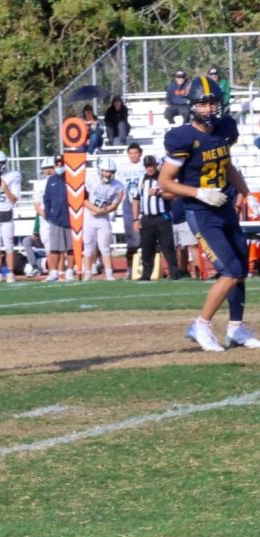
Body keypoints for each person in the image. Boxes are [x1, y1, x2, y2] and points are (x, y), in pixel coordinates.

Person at [160, 76, 259, 351]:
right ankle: (200, 324)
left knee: (240, 268)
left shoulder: (225, 129)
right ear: (192, 106)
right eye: (203, 103)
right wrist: (198, 193)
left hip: (224, 206)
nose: (209, 108)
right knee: (230, 270)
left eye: (213, 102)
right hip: (201, 211)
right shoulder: (183, 138)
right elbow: (165, 182)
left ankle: (236, 328)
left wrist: (248, 194)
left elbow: (227, 166)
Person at [133, 155, 180, 281]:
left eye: (152, 165)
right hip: (147, 218)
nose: (150, 168)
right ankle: (146, 274)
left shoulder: (164, 179)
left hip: (162, 217)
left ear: (156, 165)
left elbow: (174, 195)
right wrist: (136, 219)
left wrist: (159, 193)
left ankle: (174, 273)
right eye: (147, 166)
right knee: (147, 248)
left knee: (167, 246)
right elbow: (136, 200)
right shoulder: (140, 180)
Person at [82, 157, 125, 281]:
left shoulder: (118, 186)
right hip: (89, 217)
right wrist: (94, 209)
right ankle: (88, 272)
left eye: (111, 172)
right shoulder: (90, 181)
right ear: (100, 171)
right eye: (106, 171)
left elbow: (115, 204)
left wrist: (103, 211)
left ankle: (109, 273)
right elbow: (82, 198)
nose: (109, 174)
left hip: (103, 218)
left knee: (105, 247)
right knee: (88, 246)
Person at [0, 150, 20, 282]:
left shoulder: (13, 176)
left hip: (6, 214)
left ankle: (10, 272)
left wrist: (5, 188)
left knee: (9, 245)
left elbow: (14, 199)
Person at [41, 156, 75, 281]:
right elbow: (47, 199)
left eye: (62, 163)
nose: (60, 166)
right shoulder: (51, 180)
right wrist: (49, 215)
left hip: (70, 219)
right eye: (57, 164)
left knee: (70, 248)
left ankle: (70, 271)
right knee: (54, 248)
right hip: (55, 219)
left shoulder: (72, 179)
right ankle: (54, 272)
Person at [118, 143, 145, 273]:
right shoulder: (122, 168)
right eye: (131, 153)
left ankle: (147, 266)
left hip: (144, 204)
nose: (133, 155)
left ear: (140, 153)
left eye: (136, 152)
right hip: (129, 203)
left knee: (147, 237)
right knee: (131, 238)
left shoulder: (145, 166)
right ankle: (130, 268)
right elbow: (119, 188)